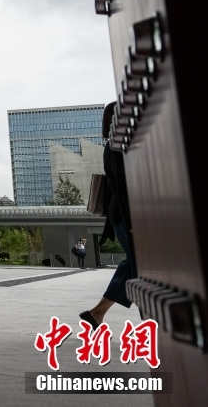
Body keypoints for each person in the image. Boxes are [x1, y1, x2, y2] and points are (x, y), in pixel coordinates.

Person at [80, 102, 137, 329]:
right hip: (126, 214)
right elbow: (123, 187)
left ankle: (97, 312)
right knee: (139, 265)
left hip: (123, 214)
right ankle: (98, 312)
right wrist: (132, 222)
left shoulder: (112, 146)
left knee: (136, 264)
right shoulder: (117, 147)